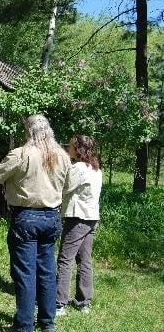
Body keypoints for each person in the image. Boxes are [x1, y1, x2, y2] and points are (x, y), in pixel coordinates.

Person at [0, 115, 71, 332]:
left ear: (29, 131)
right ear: (49, 131)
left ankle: (24, 325)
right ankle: (47, 323)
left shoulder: (21, 154)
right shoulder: (62, 156)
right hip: (52, 217)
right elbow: (68, 186)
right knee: (47, 271)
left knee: (25, 273)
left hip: (26, 216)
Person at [56, 135, 102, 316]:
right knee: (85, 260)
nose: (68, 148)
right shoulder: (95, 168)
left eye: (71, 146)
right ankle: (84, 302)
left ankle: (59, 303)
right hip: (91, 218)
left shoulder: (78, 168)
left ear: (78, 149)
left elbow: (63, 188)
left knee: (65, 260)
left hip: (77, 218)